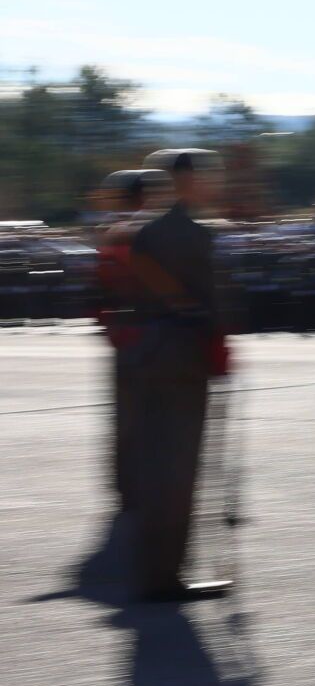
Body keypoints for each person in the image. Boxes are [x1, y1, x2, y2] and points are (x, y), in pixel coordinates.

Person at [126, 150, 232, 603]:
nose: (212, 184)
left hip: (148, 353)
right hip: (185, 355)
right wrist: (219, 347)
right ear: (186, 180)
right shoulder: (195, 235)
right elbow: (211, 301)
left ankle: (153, 569)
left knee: (155, 463)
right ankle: (167, 575)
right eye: (205, 177)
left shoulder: (144, 233)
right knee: (180, 468)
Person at [96, 168, 164, 516]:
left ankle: (126, 485)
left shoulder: (113, 235)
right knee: (157, 415)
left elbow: (99, 289)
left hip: (124, 335)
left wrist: (108, 325)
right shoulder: (155, 233)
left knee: (125, 417)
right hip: (158, 335)